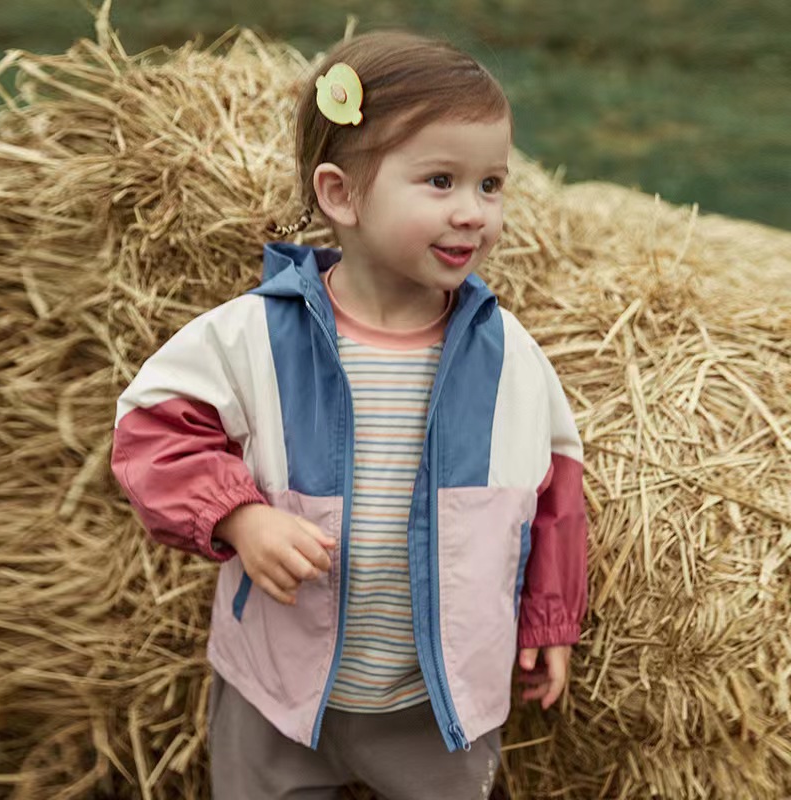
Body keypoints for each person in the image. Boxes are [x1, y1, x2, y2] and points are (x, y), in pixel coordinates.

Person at [111, 29, 587, 800]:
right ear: (341, 195)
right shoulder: (255, 334)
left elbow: (557, 488)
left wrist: (549, 618)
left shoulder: (508, 357)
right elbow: (151, 431)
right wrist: (237, 515)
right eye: (440, 180)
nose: (474, 213)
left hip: (433, 704)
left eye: (491, 185)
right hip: (277, 692)